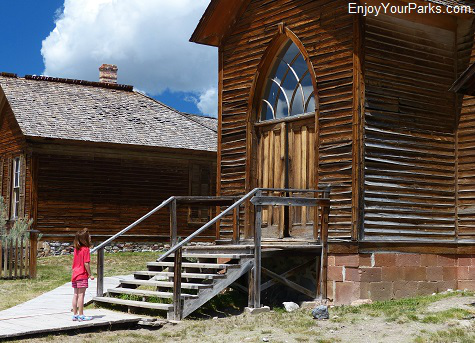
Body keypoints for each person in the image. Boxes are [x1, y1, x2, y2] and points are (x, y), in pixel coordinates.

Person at [71, 228, 94, 321]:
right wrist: (90, 274)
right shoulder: (86, 249)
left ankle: (75, 314)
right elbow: (86, 263)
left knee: (75, 294)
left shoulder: (77, 249)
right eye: (89, 237)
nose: (90, 238)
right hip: (82, 274)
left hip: (75, 274)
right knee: (81, 295)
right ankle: (81, 315)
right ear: (85, 239)